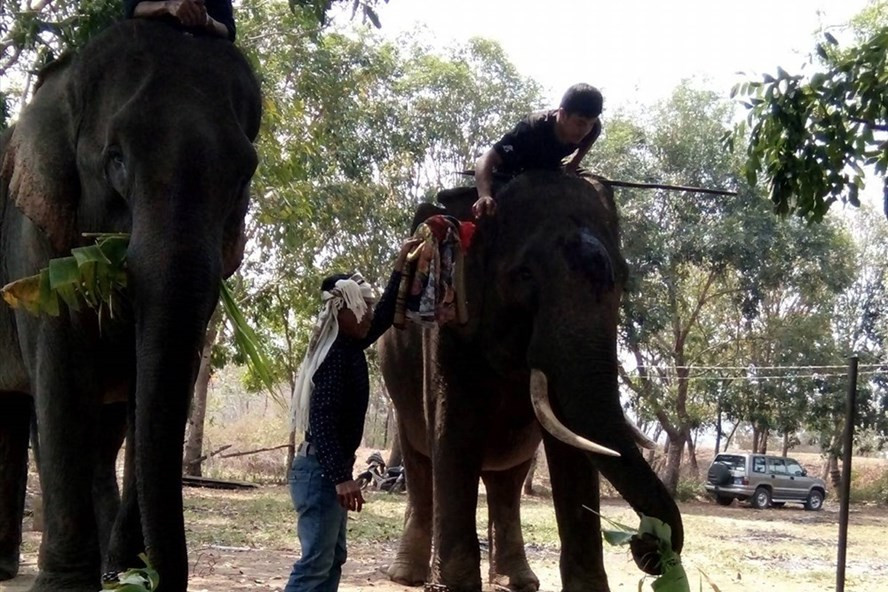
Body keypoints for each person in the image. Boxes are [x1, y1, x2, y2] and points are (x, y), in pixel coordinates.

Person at [284, 237, 420, 592]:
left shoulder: (347, 344)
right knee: (315, 563)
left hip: (324, 470)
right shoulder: (334, 358)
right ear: (342, 312)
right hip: (320, 473)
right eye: (363, 308)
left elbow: (388, 312)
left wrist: (400, 265)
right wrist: (341, 477)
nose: (369, 315)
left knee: (331, 559)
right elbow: (323, 423)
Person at [472, 82, 603, 218]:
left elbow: (590, 139)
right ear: (563, 114)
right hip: (516, 173)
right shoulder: (530, 129)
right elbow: (485, 159)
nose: (585, 130)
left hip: (552, 169)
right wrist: (484, 195)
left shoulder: (593, 129)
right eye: (580, 123)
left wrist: (572, 166)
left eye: (591, 123)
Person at [124, 0, 236, 41]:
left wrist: (206, 20)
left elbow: (228, 31)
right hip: (152, 40)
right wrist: (168, 6)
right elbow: (134, 8)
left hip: (203, 51)